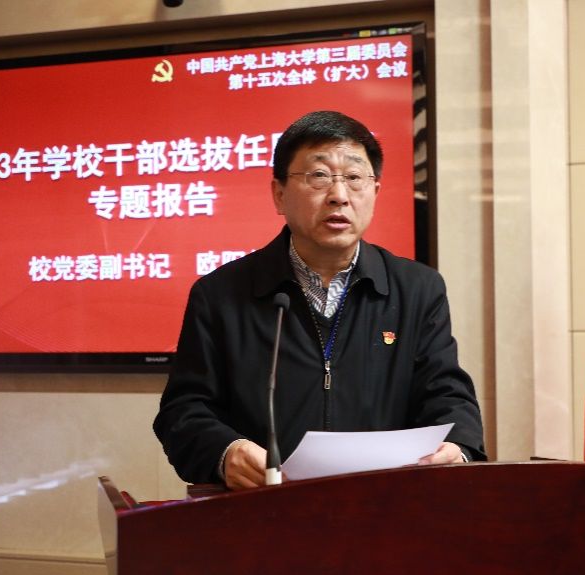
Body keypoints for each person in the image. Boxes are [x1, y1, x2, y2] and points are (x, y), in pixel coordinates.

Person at [154, 110, 485, 490]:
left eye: (354, 178)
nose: (339, 196)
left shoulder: (417, 289)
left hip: (383, 506)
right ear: (279, 194)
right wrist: (226, 451)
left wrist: (456, 448)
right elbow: (183, 411)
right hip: (262, 508)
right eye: (319, 176)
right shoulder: (220, 294)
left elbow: (446, 394)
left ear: (375, 192)